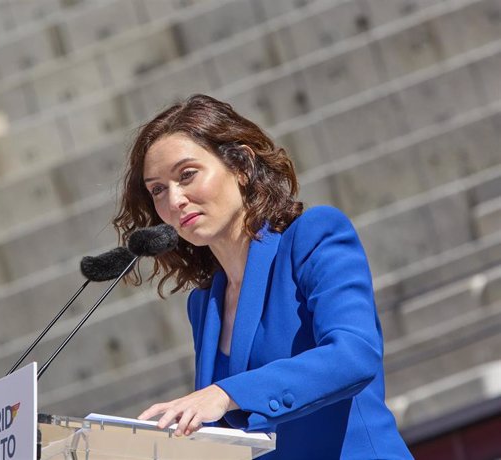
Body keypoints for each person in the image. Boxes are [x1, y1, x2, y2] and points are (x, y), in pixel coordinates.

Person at [112, 94, 413, 459]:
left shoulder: (314, 236)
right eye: (158, 189)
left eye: (187, 175)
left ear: (241, 165)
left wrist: (226, 394)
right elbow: (232, 439)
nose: (174, 200)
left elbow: (355, 356)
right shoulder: (204, 304)